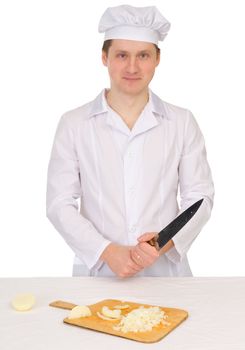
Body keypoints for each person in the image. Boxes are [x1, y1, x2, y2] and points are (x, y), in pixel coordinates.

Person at [46, 5, 214, 277]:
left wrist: (161, 243)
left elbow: (200, 198)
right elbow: (59, 203)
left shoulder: (182, 122)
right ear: (104, 57)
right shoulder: (74, 124)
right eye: (122, 55)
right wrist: (107, 251)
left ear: (157, 59)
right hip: (99, 273)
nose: (133, 67)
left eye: (143, 55)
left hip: (165, 275)